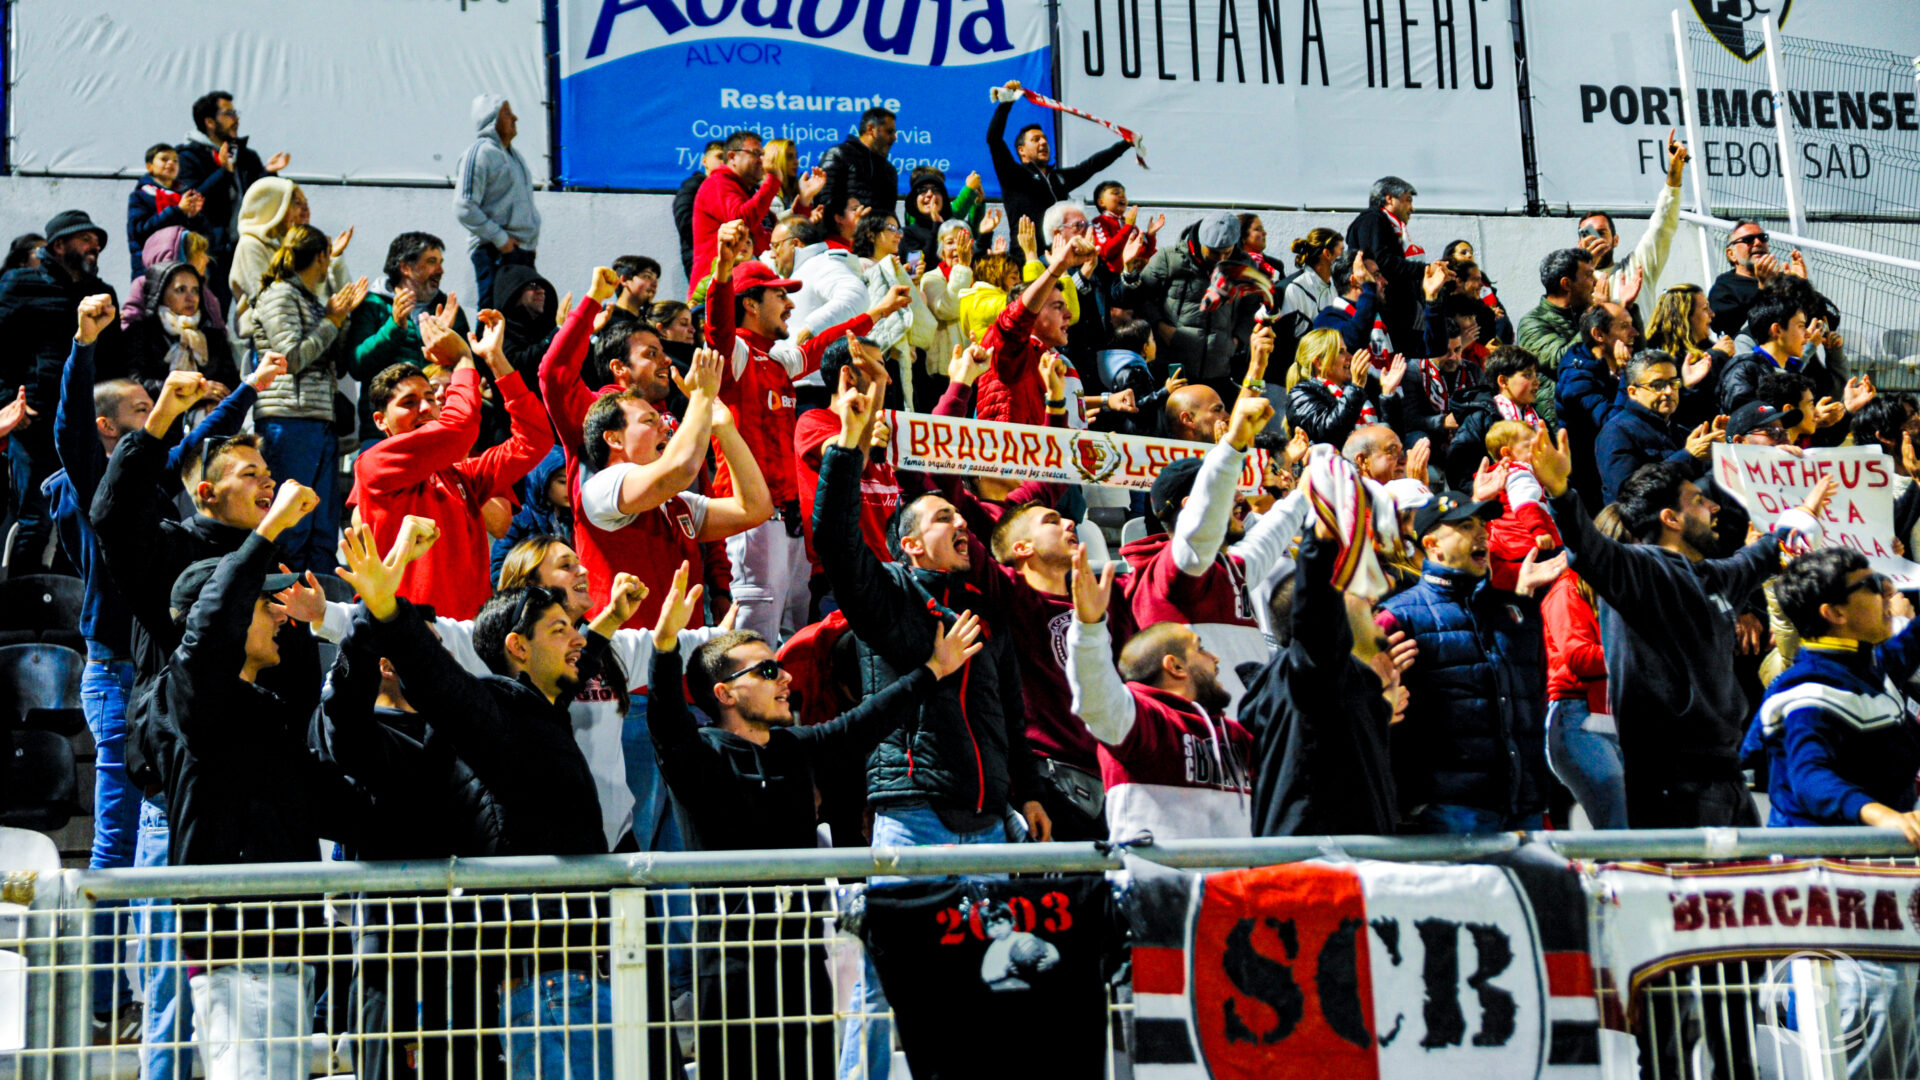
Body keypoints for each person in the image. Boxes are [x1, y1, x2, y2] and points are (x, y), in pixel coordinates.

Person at [648, 561, 980, 1078]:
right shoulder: (699, 757)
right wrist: (665, 648)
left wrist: (932, 673)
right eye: (765, 671)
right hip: (732, 965)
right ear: (724, 694)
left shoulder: (794, 749)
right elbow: (668, 721)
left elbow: (865, 722)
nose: (784, 677)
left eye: (777, 666)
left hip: (803, 958)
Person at [335, 525, 613, 1080]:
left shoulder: (539, 719)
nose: (578, 638)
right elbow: (441, 682)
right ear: (516, 647)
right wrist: (385, 609)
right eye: (560, 630)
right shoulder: (499, 711)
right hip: (549, 982)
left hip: (577, 972)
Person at [1535, 428, 1830, 826]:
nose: (1714, 507)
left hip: (1726, 772)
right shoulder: (1636, 571)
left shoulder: (1717, 576)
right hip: (1667, 782)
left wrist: (1805, 511)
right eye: (1698, 500)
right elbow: (1587, 546)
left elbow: (1764, 551)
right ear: (1670, 518)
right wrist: (1560, 491)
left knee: (1742, 883)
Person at [137, 478, 326, 1080]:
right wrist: (268, 530)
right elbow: (207, 631)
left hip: (284, 951)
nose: (278, 612)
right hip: (237, 955)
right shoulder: (187, 696)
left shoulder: (263, 709)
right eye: (262, 602)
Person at [706, 226, 900, 645]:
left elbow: (822, 347)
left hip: (790, 520)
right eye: (780, 295)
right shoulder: (734, 356)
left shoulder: (776, 359)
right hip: (751, 518)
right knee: (753, 637)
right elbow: (718, 329)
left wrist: (879, 312)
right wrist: (723, 269)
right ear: (751, 305)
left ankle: (790, 713)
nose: (791, 304)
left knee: (794, 632)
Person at [1376, 488, 1563, 834]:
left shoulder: (1517, 613)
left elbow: (1535, 701)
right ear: (1432, 545)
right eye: (1464, 525)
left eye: (1482, 523)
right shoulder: (1396, 618)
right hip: (1447, 811)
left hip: (1526, 806)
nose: (1481, 532)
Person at [351, 312, 551, 621]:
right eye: (409, 402)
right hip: (405, 633)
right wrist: (462, 359)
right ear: (380, 421)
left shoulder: (463, 473)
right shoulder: (374, 463)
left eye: (431, 398)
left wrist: (496, 360)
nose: (426, 408)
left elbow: (535, 439)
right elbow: (459, 429)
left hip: (468, 635)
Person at [1120, 394, 1299, 713]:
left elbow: (1272, 534)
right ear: (1194, 508)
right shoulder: (1170, 572)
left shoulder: (1228, 566)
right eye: (1227, 491)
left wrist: (1308, 491)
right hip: (1206, 743)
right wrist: (1232, 446)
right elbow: (1199, 530)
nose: (1239, 496)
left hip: (1245, 740)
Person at [1065, 542, 1252, 843]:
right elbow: (1096, 697)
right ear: (1175, 666)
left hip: (1230, 887)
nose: (1215, 658)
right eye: (1201, 649)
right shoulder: (1142, 720)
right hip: (1157, 887)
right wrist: (1089, 628)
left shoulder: (1235, 735)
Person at [1238, 514, 1401, 836]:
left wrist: (1382, 708)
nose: (1374, 597)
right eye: (1355, 589)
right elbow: (1316, 615)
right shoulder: (1307, 676)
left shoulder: (1342, 686)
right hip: (1312, 874)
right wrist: (1322, 540)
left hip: (1349, 870)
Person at [0, 210, 124, 572]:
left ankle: (67, 611)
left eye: (97, 241)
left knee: (83, 518)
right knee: (36, 521)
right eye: (86, 239)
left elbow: (113, 362)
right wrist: (9, 404)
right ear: (59, 245)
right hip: (32, 422)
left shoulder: (102, 295)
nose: (95, 246)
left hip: (83, 423)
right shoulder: (17, 284)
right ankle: (18, 611)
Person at [248, 224, 371, 570]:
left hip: (318, 419)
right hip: (287, 418)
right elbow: (291, 357)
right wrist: (332, 319)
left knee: (321, 523)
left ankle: (317, 606)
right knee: (291, 522)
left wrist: (341, 319)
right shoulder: (279, 295)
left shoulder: (309, 300)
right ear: (320, 257)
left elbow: (334, 355)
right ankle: (283, 608)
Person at [1116, 211, 1258, 402]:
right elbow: (1142, 297)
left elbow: (1251, 308)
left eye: (1227, 251)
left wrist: (1236, 341)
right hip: (1173, 366)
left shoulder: (1244, 266)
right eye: (1215, 252)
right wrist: (1161, 326)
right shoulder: (1170, 258)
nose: (1221, 258)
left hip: (1219, 368)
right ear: (1201, 242)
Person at [986, 81, 1134, 263]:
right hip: (1029, 260)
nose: (1043, 143)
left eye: (1045, 139)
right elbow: (994, 139)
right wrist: (1006, 103)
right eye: (1036, 139)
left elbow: (1092, 165)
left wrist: (1125, 143)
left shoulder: (1058, 178)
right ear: (1021, 150)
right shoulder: (1014, 175)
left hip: (1064, 257)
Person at [174, 91, 289, 307]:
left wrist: (268, 173)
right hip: (210, 249)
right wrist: (223, 172)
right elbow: (193, 200)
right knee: (210, 310)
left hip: (243, 246)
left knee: (254, 308)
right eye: (228, 113)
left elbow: (255, 198)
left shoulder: (245, 155)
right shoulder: (188, 157)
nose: (236, 119)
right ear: (209, 122)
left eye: (235, 113)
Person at [975, 228, 1096, 428]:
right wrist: (1058, 267)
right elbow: (1013, 322)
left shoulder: (1050, 357)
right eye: (1058, 307)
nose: (1069, 315)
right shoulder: (1011, 352)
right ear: (1032, 314)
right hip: (1011, 458)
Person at [690, 131, 822, 299]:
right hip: (716, 289)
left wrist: (804, 201)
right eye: (756, 154)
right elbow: (742, 220)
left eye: (763, 155)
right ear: (732, 157)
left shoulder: (748, 191)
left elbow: (773, 237)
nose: (762, 161)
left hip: (745, 289)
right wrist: (773, 180)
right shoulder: (718, 183)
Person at [1578, 134, 1687, 320]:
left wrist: (1674, 172)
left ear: (1615, 240)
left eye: (1602, 233)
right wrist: (1588, 266)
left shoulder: (1636, 267)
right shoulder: (1574, 284)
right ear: (1579, 244)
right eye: (1587, 234)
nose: (1595, 238)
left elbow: (1661, 225)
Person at [228, 179, 352, 337]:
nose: (304, 210)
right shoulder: (250, 245)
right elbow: (269, 303)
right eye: (296, 204)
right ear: (274, 206)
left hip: (302, 333)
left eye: (306, 203)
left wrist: (332, 258)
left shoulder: (290, 244)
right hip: (266, 343)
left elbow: (323, 294)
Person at [1594, 350, 1717, 506]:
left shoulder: (1675, 428)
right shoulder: (1617, 432)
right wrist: (1688, 456)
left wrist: (1719, 445)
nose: (1668, 392)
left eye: (1673, 383)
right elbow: (1627, 494)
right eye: (1657, 385)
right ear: (1633, 392)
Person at [454, 95, 540, 308]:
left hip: (520, 252)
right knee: (493, 314)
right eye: (507, 113)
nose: (515, 118)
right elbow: (463, 206)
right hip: (495, 253)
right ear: (491, 118)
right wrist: (501, 240)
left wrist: (529, 243)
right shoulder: (479, 152)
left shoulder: (515, 156)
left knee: (522, 318)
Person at [124, 262, 238, 400]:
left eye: (195, 290)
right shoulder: (142, 334)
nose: (191, 298)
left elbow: (231, 382)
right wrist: (193, 392)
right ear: (160, 293)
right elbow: (136, 384)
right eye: (180, 290)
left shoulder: (212, 336)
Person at [1515, 248, 1599, 429]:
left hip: (1596, 416)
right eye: (1589, 275)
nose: (1595, 282)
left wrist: (1627, 307)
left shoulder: (1584, 315)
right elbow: (1559, 361)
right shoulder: (1532, 322)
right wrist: (1593, 318)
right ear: (1566, 284)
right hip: (1561, 428)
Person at [1442, 346, 1545, 492]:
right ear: (1503, 381)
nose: (1536, 382)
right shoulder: (1481, 417)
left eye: (1536, 375)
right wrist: (1487, 494)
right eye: (1527, 375)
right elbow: (1459, 471)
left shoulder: (1536, 418)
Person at [1343, 177, 1426, 355]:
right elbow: (1383, 262)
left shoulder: (1386, 225)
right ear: (1389, 198)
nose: (1412, 209)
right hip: (1384, 322)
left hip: (1398, 323)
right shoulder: (1372, 220)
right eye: (1408, 200)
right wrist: (1424, 270)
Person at [1287, 327, 1405, 449]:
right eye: (1341, 352)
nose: (1350, 357)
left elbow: (1393, 442)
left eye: (1347, 350)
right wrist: (1356, 387)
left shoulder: (1359, 393)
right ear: (1319, 363)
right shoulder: (1301, 394)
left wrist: (1388, 394)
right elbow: (1328, 435)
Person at [1708, 221, 1807, 338]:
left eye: (1762, 238)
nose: (1758, 243)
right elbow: (1731, 327)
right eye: (1748, 240)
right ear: (1731, 254)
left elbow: (1828, 317)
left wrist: (1802, 286)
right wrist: (1763, 289)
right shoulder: (1724, 288)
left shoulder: (1782, 279)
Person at [127, 143, 208, 278]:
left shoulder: (184, 196)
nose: (171, 163)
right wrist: (178, 210)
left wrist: (194, 217)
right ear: (149, 166)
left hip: (184, 270)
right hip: (149, 270)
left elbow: (199, 237)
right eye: (164, 159)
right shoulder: (141, 196)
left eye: (175, 160)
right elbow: (140, 231)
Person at [819, 106, 901, 221]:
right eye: (889, 131)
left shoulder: (889, 170)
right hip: (843, 235)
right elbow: (825, 202)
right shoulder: (839, 155)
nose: (894, 138)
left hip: (876, 236)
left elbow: (889, 212)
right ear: (871, 129)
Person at [674, 141, 726, 279]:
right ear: (704, 161)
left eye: (727, 158)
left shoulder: (734, 190)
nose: (724, 162)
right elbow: (685, 223)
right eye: (720, 156)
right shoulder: (692, 187)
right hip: (702, 263)